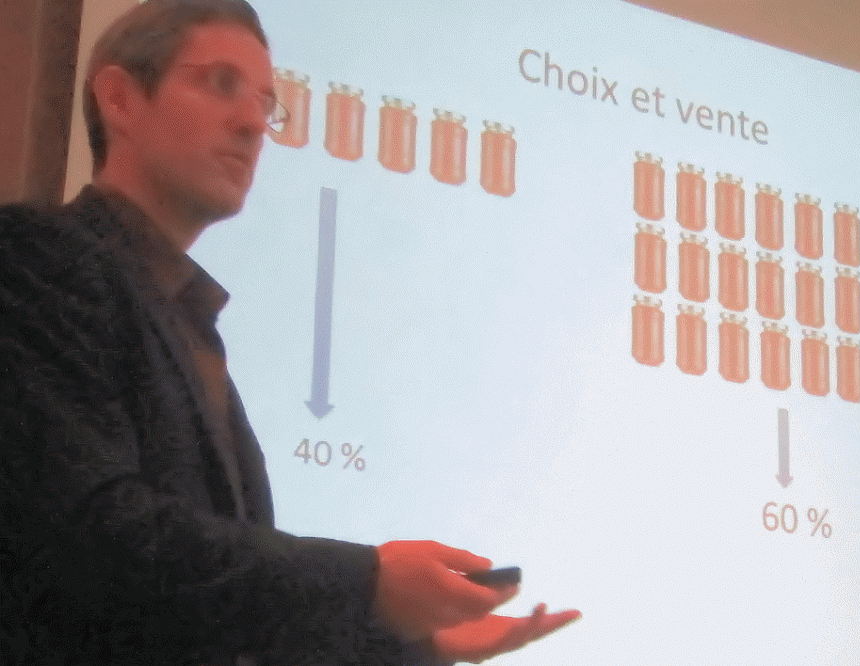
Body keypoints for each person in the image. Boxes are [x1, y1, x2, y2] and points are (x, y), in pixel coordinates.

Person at [0, 1, 580, 664]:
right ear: (121, 99)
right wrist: (368, 586)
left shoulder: (185, 320)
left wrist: (415, 647)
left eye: (266, 103)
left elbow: (215, 613)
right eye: (220, 83)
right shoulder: (35, 258)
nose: (254, 124)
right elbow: (92, 541)